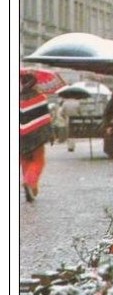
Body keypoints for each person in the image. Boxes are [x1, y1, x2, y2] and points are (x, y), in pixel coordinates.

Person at [20, 72, 54, 202]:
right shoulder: (40, 98)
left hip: (20, 137)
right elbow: (46, 119)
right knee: (39, 161)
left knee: (25, 161)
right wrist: (50, 135)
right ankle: (29, 182)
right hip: (37, 136)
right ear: (34, 84)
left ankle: (32, 187)